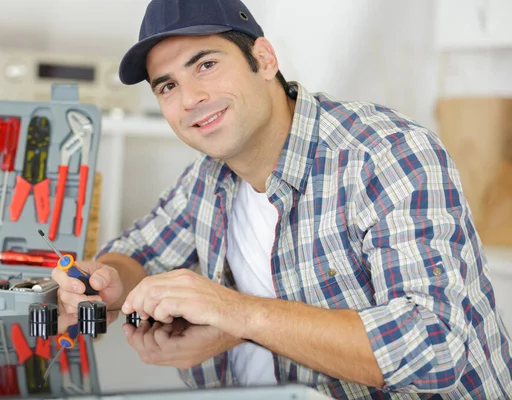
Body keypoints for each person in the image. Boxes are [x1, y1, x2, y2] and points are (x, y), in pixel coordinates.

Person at [52, 0, 512, 398]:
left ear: (265, 59)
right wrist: (109, 277)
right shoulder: (208, 178)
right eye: (167, 86)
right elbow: (141, 254)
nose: (190, 98)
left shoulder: (386, 155)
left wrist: (234, 315)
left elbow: (436, 346)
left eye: (206, 64)